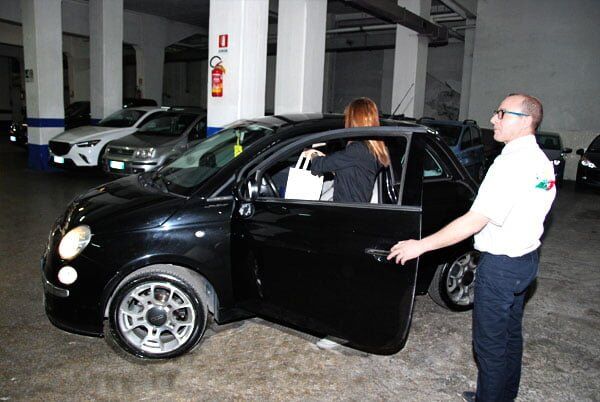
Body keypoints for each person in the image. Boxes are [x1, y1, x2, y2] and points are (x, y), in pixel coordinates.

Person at [387, 93, 556, 402]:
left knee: (489, 346)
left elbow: (474, 220)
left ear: (526, 121)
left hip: (501, 267)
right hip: (526, 261)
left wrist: (421, 245)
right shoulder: (539, 160)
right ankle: (501, 396)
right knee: (509, 336)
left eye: (502, 114)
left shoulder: (511, 164)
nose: (493, 119)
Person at [301, 97, 390, 203]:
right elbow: (351, 170)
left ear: (354, 120)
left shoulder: (357, 149)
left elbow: (319, 165)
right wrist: (325, 158)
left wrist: (313, 154)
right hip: (354, 208)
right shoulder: (371, 150)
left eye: (348, 117)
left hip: (348, 210)